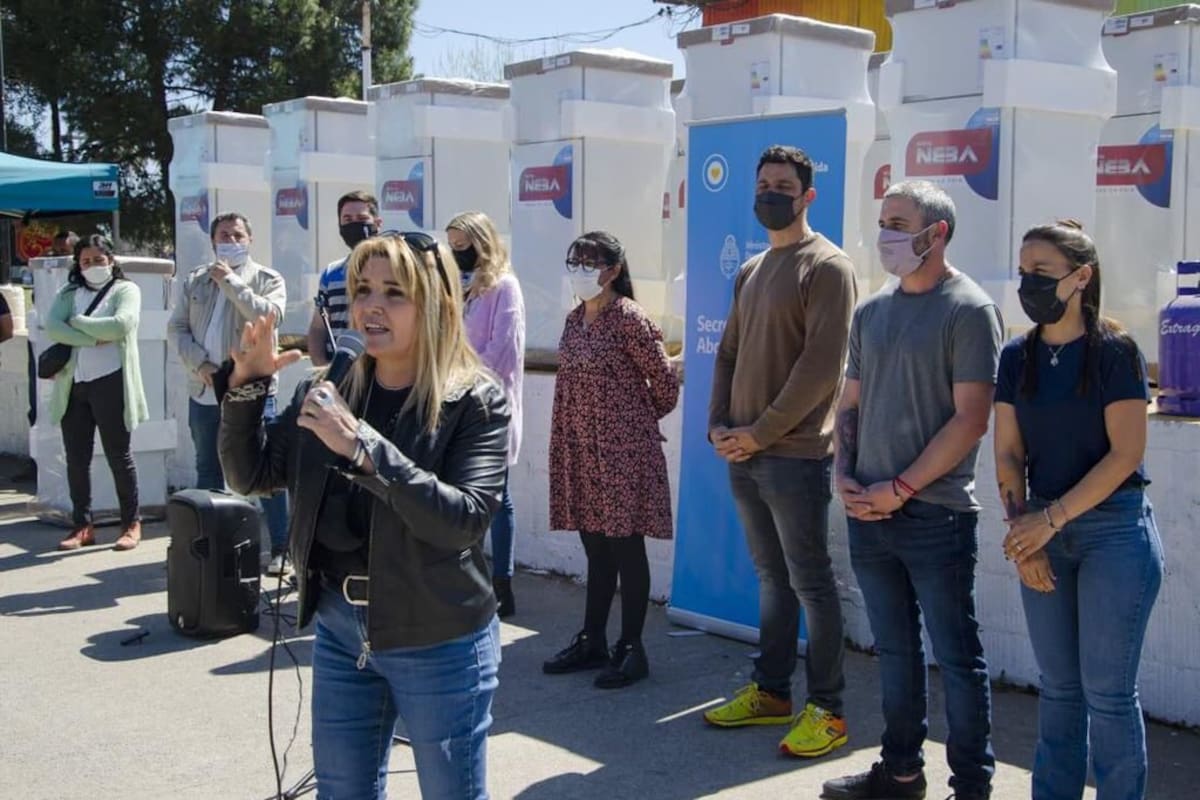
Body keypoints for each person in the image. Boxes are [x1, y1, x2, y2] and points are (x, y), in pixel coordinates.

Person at [219, 232, 508, 800]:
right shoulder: (329, 386)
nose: (371, 307)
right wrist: (248, 386)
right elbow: (250, 476)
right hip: (339, 629)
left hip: (438, 635)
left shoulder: (474, 400)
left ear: (437, 305)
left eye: (394, 293)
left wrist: (364, 449)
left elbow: (464, 520)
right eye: (362, 290)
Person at [823, 180, 1002, 800]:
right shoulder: (872, 312)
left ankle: (971, 786)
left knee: (956, 657)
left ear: (937, 234)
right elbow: (850, 401)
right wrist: (843, 473)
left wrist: (900, 487)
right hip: (868, 512)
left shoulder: (969, 310)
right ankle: (900, 772)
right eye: (883, 222)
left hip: (935, 515)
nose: (886, 236)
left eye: (899, 224)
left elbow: (971, 419)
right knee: (894, 653)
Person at [994, 221, 1163, 800]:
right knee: (1060, 689)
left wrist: (1051, 521)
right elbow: (1008, 453)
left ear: (1081, 277)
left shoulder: (1116, 353)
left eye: (1040, 272)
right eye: (1023, 271)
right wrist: (1024, 536)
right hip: (1041, 529)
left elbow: (1126, 455)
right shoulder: (1017, 356)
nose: (1028, 283)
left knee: (1108, 693)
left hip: (1113, 533)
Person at [703, 144, 857, 758]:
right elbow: (729, 355)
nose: (770, 192)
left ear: (807, 195)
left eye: (782, 185)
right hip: (743, 450)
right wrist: (719, 424)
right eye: (763, 183)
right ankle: (772, 692)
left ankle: (830, 709)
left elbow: (821, 370)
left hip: (793, 455)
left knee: (811, 583)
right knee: (772, 579)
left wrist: (759, 433)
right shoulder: (752, 269)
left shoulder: (828, 267)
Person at [542, 231, 679, 689]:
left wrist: (632, 422)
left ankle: (631, 647)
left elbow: (663, 384)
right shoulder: (574, 319)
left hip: (622, 450)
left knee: (625, 546)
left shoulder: (628, 319)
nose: (580, 270)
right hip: (581, 446)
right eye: (574, 260)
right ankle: (593, 639)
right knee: (595, 546)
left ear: (614, 270)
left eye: (591, 262)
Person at [167, 212, 290, 574]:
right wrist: (201, 366)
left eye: (238, 234)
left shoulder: (267, 278)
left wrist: (232, 282)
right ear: (212, 241)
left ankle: (282, 547)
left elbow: (270, 317)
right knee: (208, 466)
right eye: (224, 234)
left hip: (252, 391)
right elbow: (177, 327)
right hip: (204, 386)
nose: (231, 240)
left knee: (266, 471)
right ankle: (212, 545)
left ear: (249, 240)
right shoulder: (195, 280)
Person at [46, 234, 148, 551]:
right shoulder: (69, 292)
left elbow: (120, 325)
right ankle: (82, 525)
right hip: (74, 384)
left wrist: (76, 323)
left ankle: (131, 523)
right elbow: (52, 326)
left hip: (112, 381)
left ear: (111, 260)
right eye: (85, 261)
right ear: (78, 264)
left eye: (98, 259)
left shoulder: (125, 290)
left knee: (119, 455)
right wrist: (91, 336)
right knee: (77, 459)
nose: (92, 266)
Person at [447, 210, 526, 618]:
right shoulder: (460, 288)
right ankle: (469, 576)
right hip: (455, 402)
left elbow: (503, 351)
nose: (457, 253)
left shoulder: (503, 287)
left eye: (463, 246)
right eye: (453, 246)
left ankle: (503, 582)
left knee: (498, 498)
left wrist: (467, 384)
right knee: (465, 493)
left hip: (488, 405)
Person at [308, 190, 382, 366]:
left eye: (361, 219)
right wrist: (321, 366)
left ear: (377, 224)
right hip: (339, 373)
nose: (354, 224)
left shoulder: (396, 269)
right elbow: (318, 327)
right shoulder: (331, 273)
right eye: (347, 219)